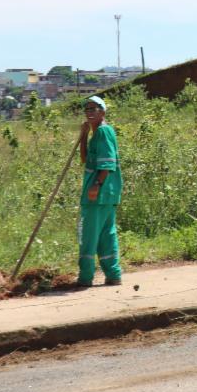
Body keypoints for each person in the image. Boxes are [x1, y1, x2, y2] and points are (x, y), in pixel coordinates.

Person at [76, 96, 123, 287]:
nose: (89, 112)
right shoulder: (98, 133)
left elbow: (108, 163)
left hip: (98, 194)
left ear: (102, 112)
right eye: (87, 109)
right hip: (107, 194)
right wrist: (83, 137)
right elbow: (85, 159)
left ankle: (85, 277)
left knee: (88, 234)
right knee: (106, 235)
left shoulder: (103, 132)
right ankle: (113, 274)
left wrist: (96, 185)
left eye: (94, 109)